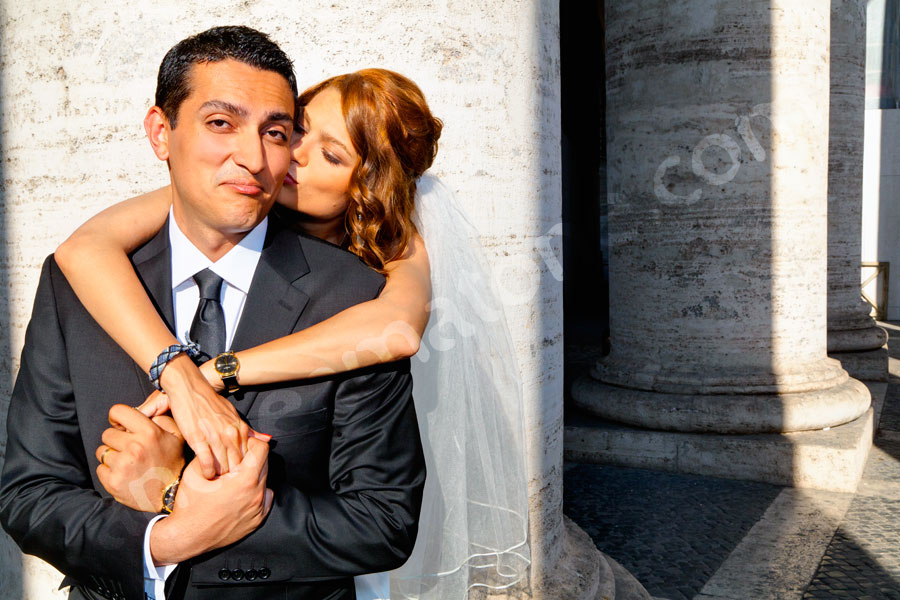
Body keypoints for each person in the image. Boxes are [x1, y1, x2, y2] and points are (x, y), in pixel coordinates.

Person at [52, 44, 530, 600]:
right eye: (298, 130)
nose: (290, 155)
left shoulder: (387, 255)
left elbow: (396, 328)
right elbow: (84, 249)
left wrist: (212, 377)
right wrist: (177, 373)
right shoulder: (235, 188)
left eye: (332, 155)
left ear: (366, 188)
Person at [0, 26, 426, 600]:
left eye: (275, 131)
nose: (257, 158)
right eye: (221, 123)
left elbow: (381, 522)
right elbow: (30, 494)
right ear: (160, 132)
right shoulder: (77, 281)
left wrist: (170, 490)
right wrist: (160, 543)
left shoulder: (357, 294)